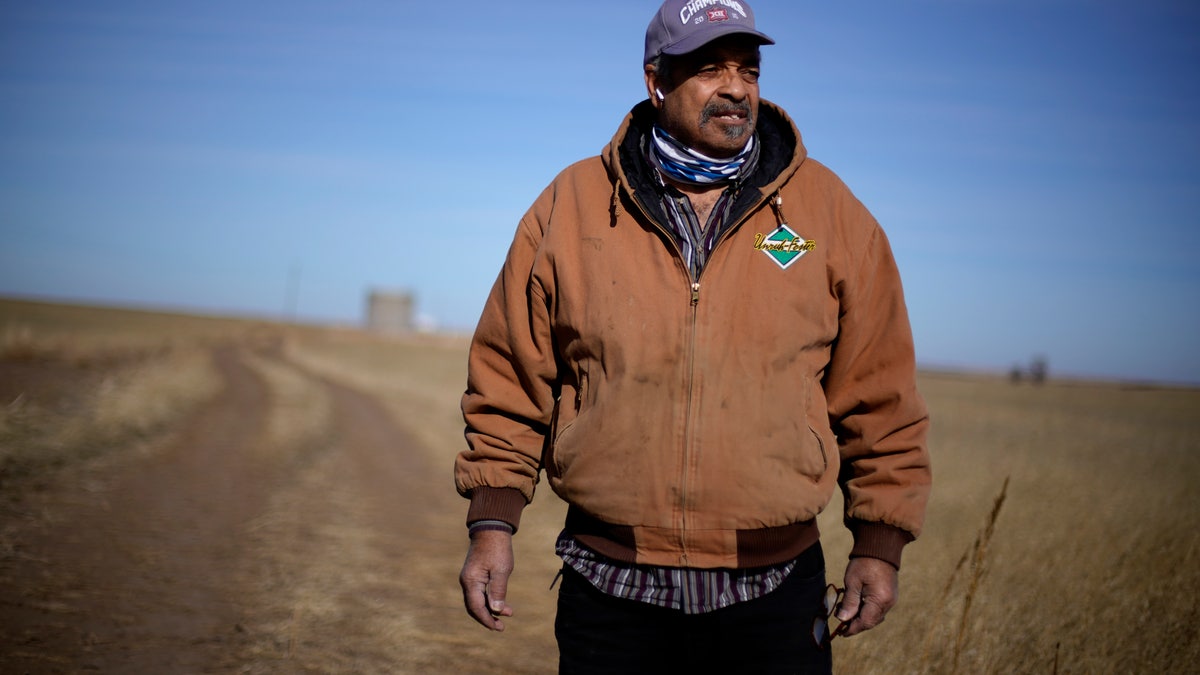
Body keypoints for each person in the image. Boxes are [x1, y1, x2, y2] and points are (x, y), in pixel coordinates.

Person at [455, 1, 932, 672]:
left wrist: (879, 544)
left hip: (773, 591)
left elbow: (879, 393)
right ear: (656, 81)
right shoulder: (572, 206)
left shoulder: (833, 214)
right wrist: (492, 523)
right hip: (610, 588)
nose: (736, 87)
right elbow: (510, 376)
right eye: (710, 68)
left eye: (748, 69)